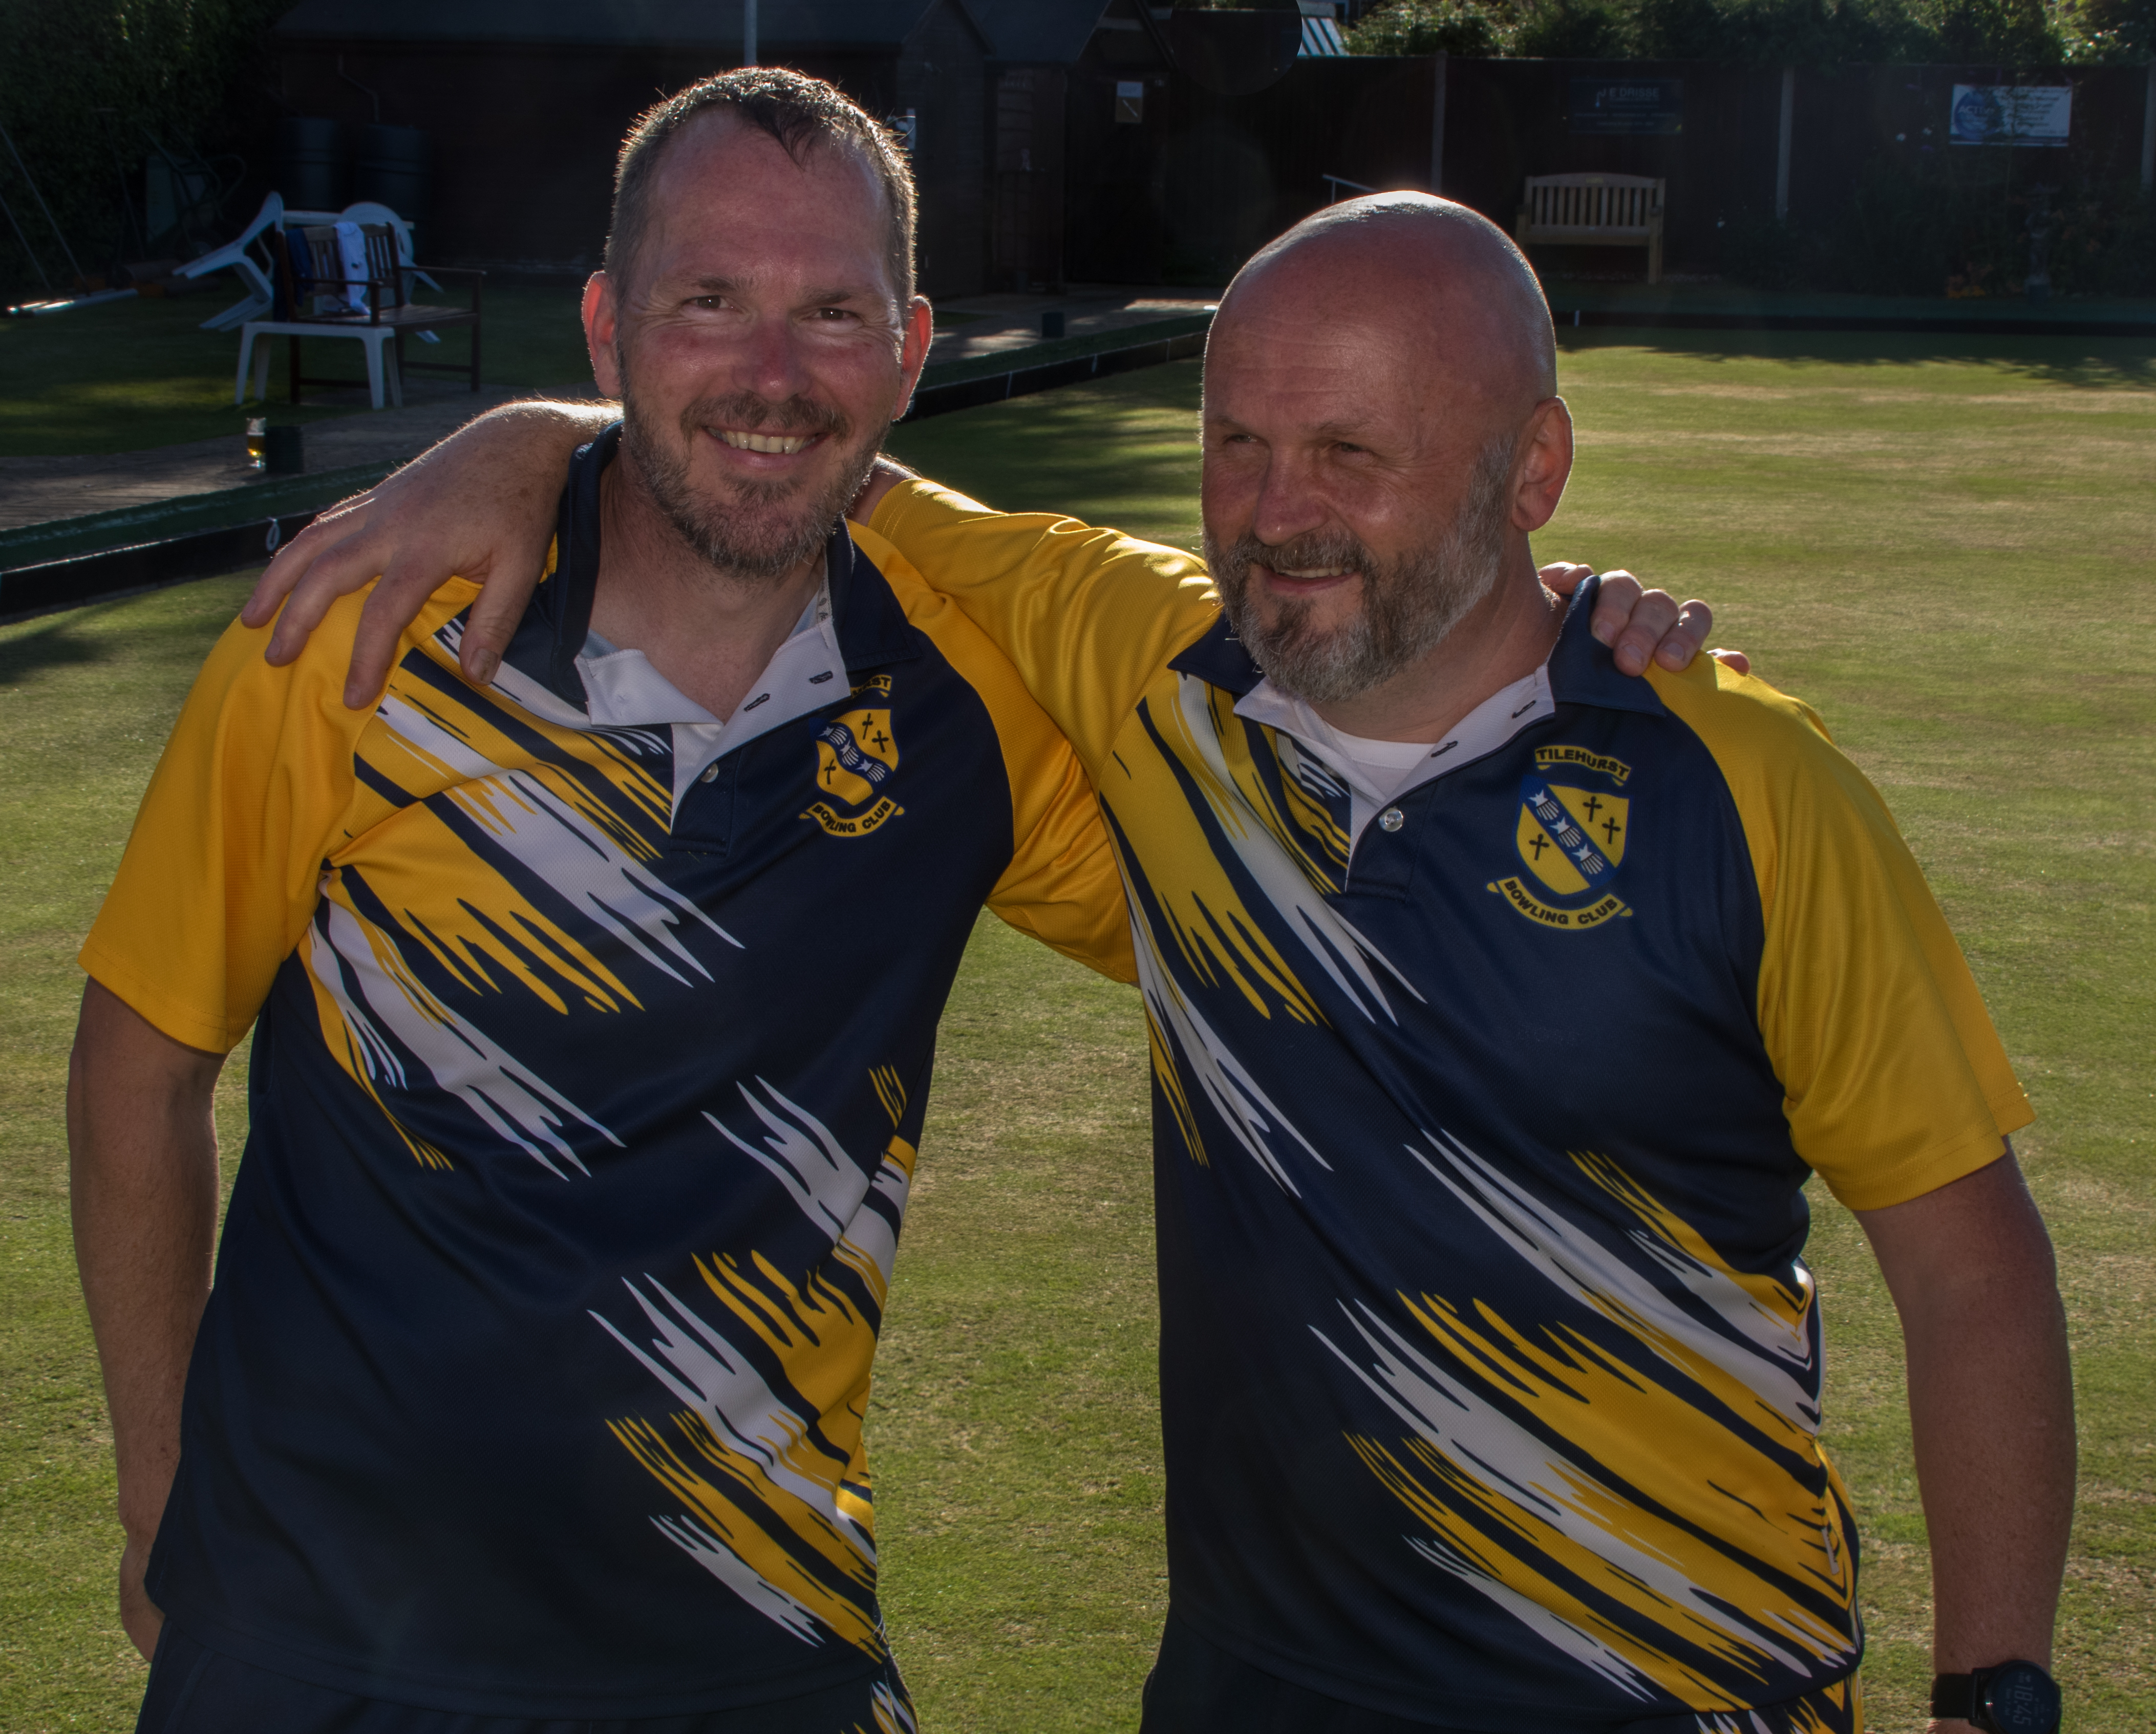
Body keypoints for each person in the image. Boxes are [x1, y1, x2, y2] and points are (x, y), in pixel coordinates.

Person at [254, 194, 2076, 1734]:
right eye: (1235, 444)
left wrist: (1994, 1693)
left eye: (1352, 456)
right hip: (1252, 1688)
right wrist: (523, 436)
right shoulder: (1159, 675)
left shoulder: (1742, 783)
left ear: (1530, 471)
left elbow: (1970, 1263)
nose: (1275, 513)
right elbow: (782, 438)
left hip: (1681, 1684)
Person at [68, 72, 1713, 1732]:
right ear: (606, 326)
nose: (770, 374)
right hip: (311, 1648)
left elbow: (1311, 886)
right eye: (707, 301)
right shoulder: (356, 637)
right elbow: (140, 1066)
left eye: (831, 313)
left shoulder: (968, 702)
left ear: (913, 350)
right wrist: (160, 1491)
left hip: (752, 1650)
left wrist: (1528, 619)